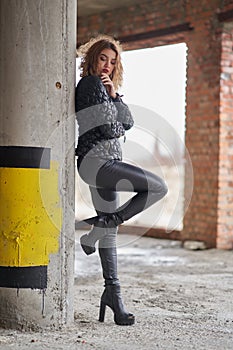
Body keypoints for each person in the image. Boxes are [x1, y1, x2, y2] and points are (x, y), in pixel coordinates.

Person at [75, 34, 168, 326]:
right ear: (92, 59)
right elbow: (111, 128)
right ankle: (101, 225)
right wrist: (113, 111)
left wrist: (114, 96)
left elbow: (127, 121)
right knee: (158, 186)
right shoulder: (89, 85)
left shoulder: (106, 90)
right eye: (103, 58)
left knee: (109, 236)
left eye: (112, 62)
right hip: (97, 162)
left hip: (104, 163)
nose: (107, 66)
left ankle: (113, 296)